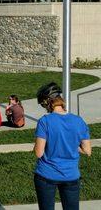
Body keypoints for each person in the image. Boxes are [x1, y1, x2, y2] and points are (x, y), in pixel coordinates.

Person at [33, 82, 91, 210]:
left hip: (46, 175)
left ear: (48, 102)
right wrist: (72, 144)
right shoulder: (79, 121)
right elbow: (87, 151)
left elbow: (38, 153)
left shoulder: (45, 121)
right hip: (71, 175)